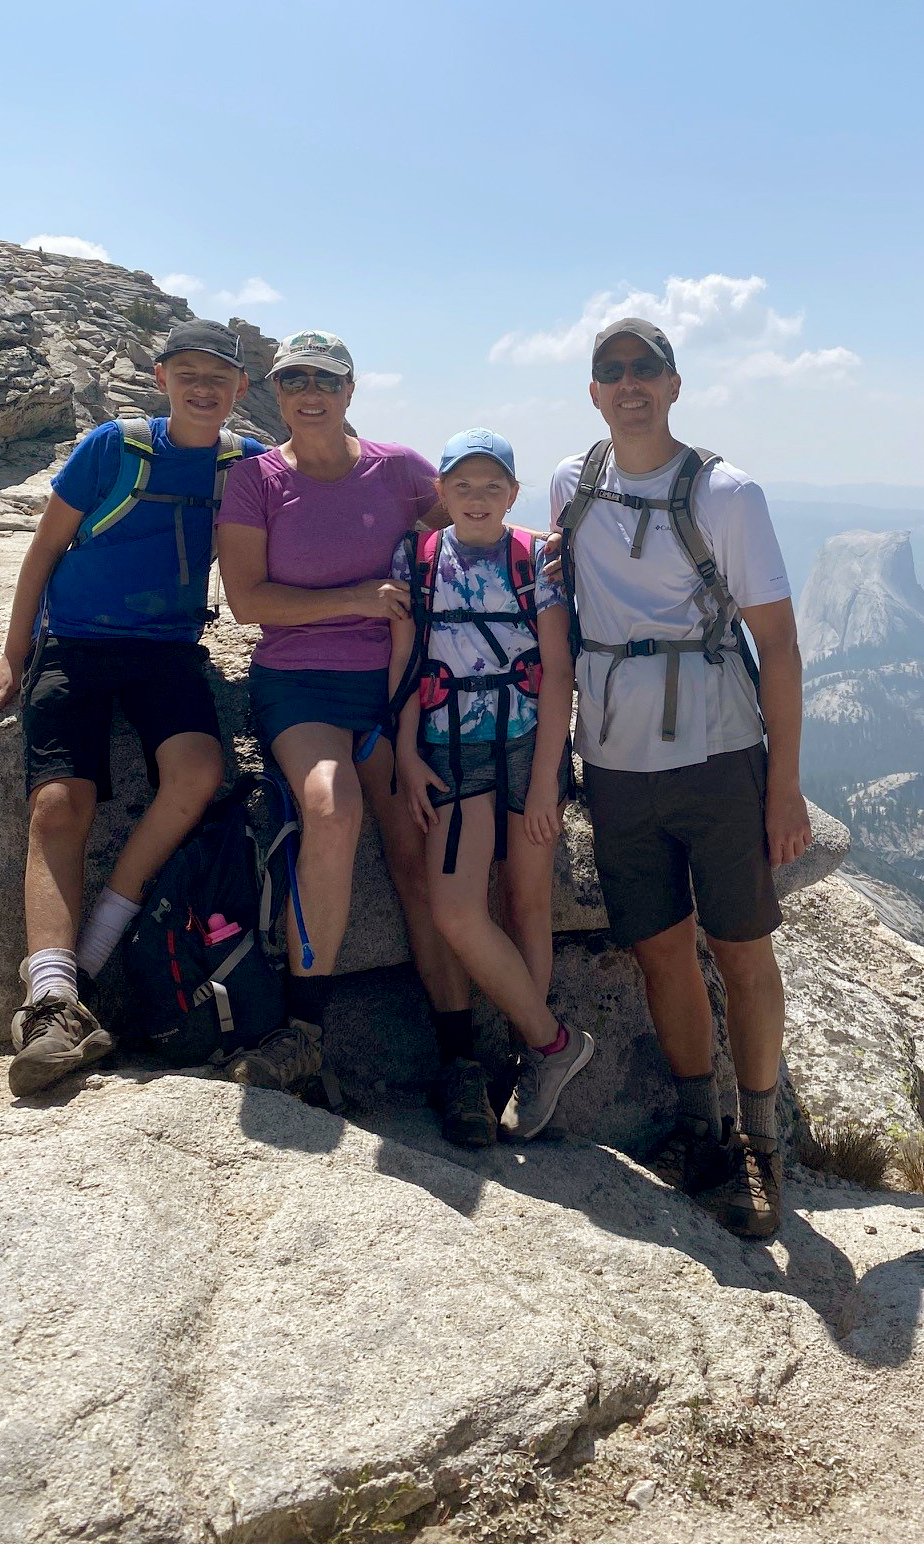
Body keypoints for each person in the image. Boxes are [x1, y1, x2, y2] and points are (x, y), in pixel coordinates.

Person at [550, 317, 812, 1237]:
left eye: (645, 369)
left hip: (718, 752)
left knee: (742, 952)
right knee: (661, 947)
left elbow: (777, 645)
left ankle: (761, 1138)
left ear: (673, 384)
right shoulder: (571, 487)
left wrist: (784, 787)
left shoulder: (729, 494)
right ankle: (701, 1131)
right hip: (616, 759)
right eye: (611, 371)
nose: (629, 384)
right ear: (593, 392)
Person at [0, 319, 266, 1097]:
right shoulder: (115, 446)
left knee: (196, 772)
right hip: (75, 643)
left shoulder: (248, 466)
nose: (204, 388)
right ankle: (52, 1001)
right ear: (161, 378)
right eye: (188, 373)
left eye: (219, 377)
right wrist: (13, 652)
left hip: (166, 649)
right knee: (60, 803)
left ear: (239, 389)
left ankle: (82, 968)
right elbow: (44, 551)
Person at [216, 330, 472, 1101]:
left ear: (350, 390)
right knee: (332, 805)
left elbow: (469, 521)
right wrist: (355, 599)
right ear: (277, 391)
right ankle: (303, 1034)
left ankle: (459, 1055)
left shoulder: (397, 470)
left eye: (325, 378)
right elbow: (248, 600)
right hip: (302, 687)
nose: (309, 390)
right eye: (293, 378)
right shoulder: (257, 480)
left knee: (416, 852)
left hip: (393, 689)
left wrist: (551, 551)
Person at [389, 428, 592, 1144]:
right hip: (451, 751)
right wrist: (407, 752)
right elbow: (409, 660)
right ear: (441, 493)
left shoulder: (536, 558)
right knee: (455, 909)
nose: (477, 499)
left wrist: (547, 783)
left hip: (526, 744)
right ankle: (553, 1043)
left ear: (512, 492)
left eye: (492, 487)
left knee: (527, 903)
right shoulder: (415, 559)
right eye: (462, 486)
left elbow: (559, 668)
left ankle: (524, 1063)